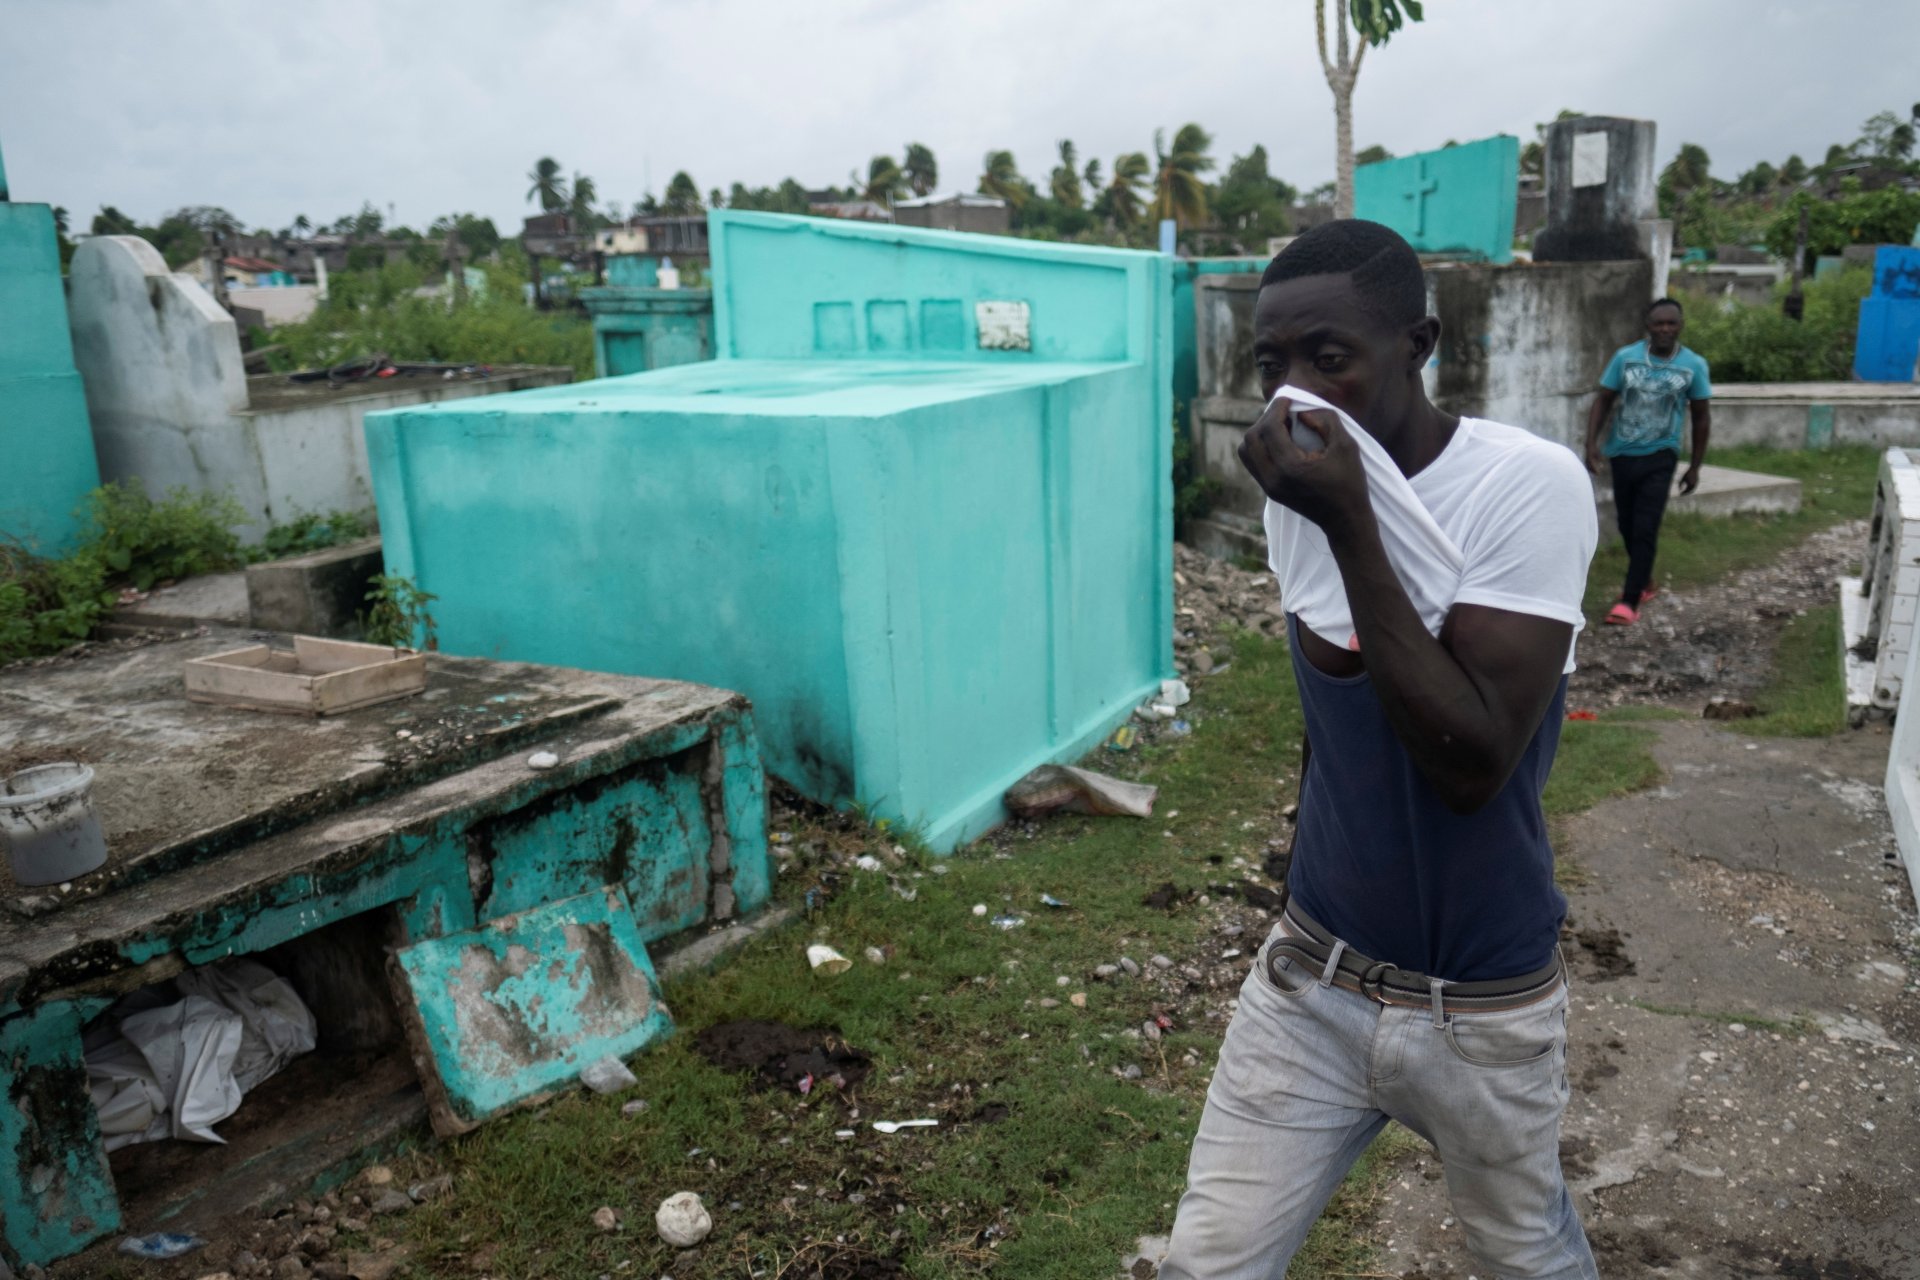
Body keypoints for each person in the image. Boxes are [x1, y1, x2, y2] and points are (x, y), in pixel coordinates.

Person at [1160, 220, 1599, 1280]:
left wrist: (1353, 518)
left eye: (1330, 357)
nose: (1297, 391)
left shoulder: (1524, 488)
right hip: (1311, 982)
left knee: (1525, 1258)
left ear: (1418, 343)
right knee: (1203, 1261)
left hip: (1481, 1010)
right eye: (1273, 364)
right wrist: (1304, 852)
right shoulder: (1298, 495)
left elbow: (1471, 760)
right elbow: (1331, 715)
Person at [1583, 298, 1713, 626]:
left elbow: (1701, 417)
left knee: (1646, 526)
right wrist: (1591, 444)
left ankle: (1629, 600)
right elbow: (1604, 400)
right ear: (1648, 326)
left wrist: (1695, 466)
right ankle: (1645, 580)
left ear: (1680, 325)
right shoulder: (1625, 359)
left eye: (1671, 323)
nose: (1665, 329)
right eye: (1659, 323)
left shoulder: (1693, 365)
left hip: (1662, 455)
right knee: (1627, 523)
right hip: (1623, 453)